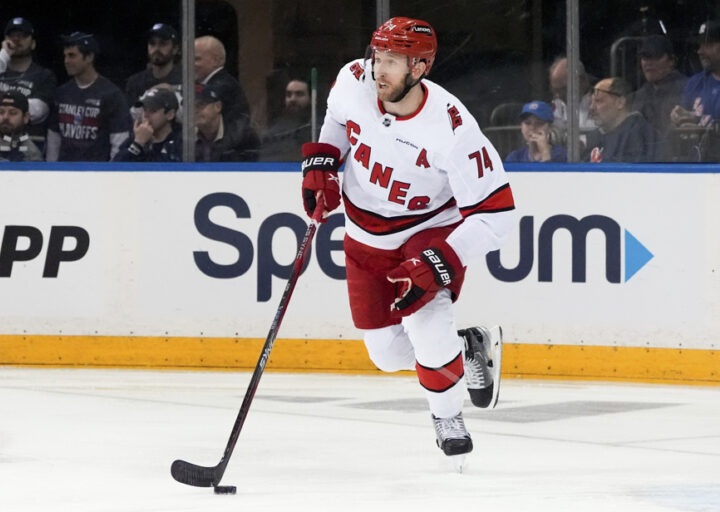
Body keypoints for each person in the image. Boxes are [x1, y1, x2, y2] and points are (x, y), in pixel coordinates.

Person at [299, 17, 516, 463]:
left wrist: (440, 260)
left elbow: (497, 216)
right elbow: (337, 119)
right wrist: (323, 162)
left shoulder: (452, 128)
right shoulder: (352, 80)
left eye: (393, 61)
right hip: (364, 235)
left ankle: (447, 417)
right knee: (386, 354)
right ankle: (470, 345)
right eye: (377, 56)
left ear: (419, 68)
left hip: (427, 230)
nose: (379, 70)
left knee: (428, 330)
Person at [0, 17, 57, 149]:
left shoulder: (44, 75)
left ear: (33, 43)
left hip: (26, 149)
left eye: (23, 35)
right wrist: (4, 55)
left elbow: (37, 111)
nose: (16, 39)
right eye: (12, 35)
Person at [46, 32, 130, 161]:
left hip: (96, 173)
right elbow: (54, 138)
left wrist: (113, 173)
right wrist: (51, 170)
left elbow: (119, 140)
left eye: (72, 55)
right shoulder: (61, 92)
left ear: (89, 57)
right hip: (64, 172)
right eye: (65, 56)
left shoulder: (111, 94)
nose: (66, 61)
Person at [631, 35, 686, 160]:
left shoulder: (687, 89)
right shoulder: (638, 95)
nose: (648, 63)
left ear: (671, 60)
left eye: (656, 57)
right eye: (645, 57)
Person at [585, 77, 657, 162]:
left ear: (620, 103)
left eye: (599, 101)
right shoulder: (595, 137)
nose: (591, 108)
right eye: (591, 102)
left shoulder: (639, 135)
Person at [194, 36, 252, 138]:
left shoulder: (223, 85)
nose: (190, 64)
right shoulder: (215, 82)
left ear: (216, 61)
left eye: (197, 59)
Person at [194, 83, 259, 162]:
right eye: (191, 106)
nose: (195, 111)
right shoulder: (184, 140)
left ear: (218, 106)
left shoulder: (243, 137)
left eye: (200, 105)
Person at [115, 87, 181, 162]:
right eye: (144, 109)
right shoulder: (136, 138)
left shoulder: (181, 141)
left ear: (170, 115)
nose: (146, 115)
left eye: (152, 111)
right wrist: (137, 144)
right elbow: (115, 169)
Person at [124, 23, 182, 107]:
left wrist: (174, 89)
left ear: (175, 49)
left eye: (163, 44)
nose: (156, 49)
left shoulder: (186, 80)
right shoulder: (135, 82)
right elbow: (130, 117)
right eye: (152, 43)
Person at [260, 78, 318, 161]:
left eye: (299, 94)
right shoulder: (274, 134)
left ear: (311, 98)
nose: (293, 99)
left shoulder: (321, 129)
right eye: (289, 95)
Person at [548, 56, 597, 132]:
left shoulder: (603, 99)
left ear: (581, 81)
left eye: (564, 89)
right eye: (555, 90)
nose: (558, 95)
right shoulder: (553, 104)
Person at [0, 91, 43, 161]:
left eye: (13, 113)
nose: (5, 117)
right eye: (1, 112)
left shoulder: (31, 154)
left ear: (26, 117)